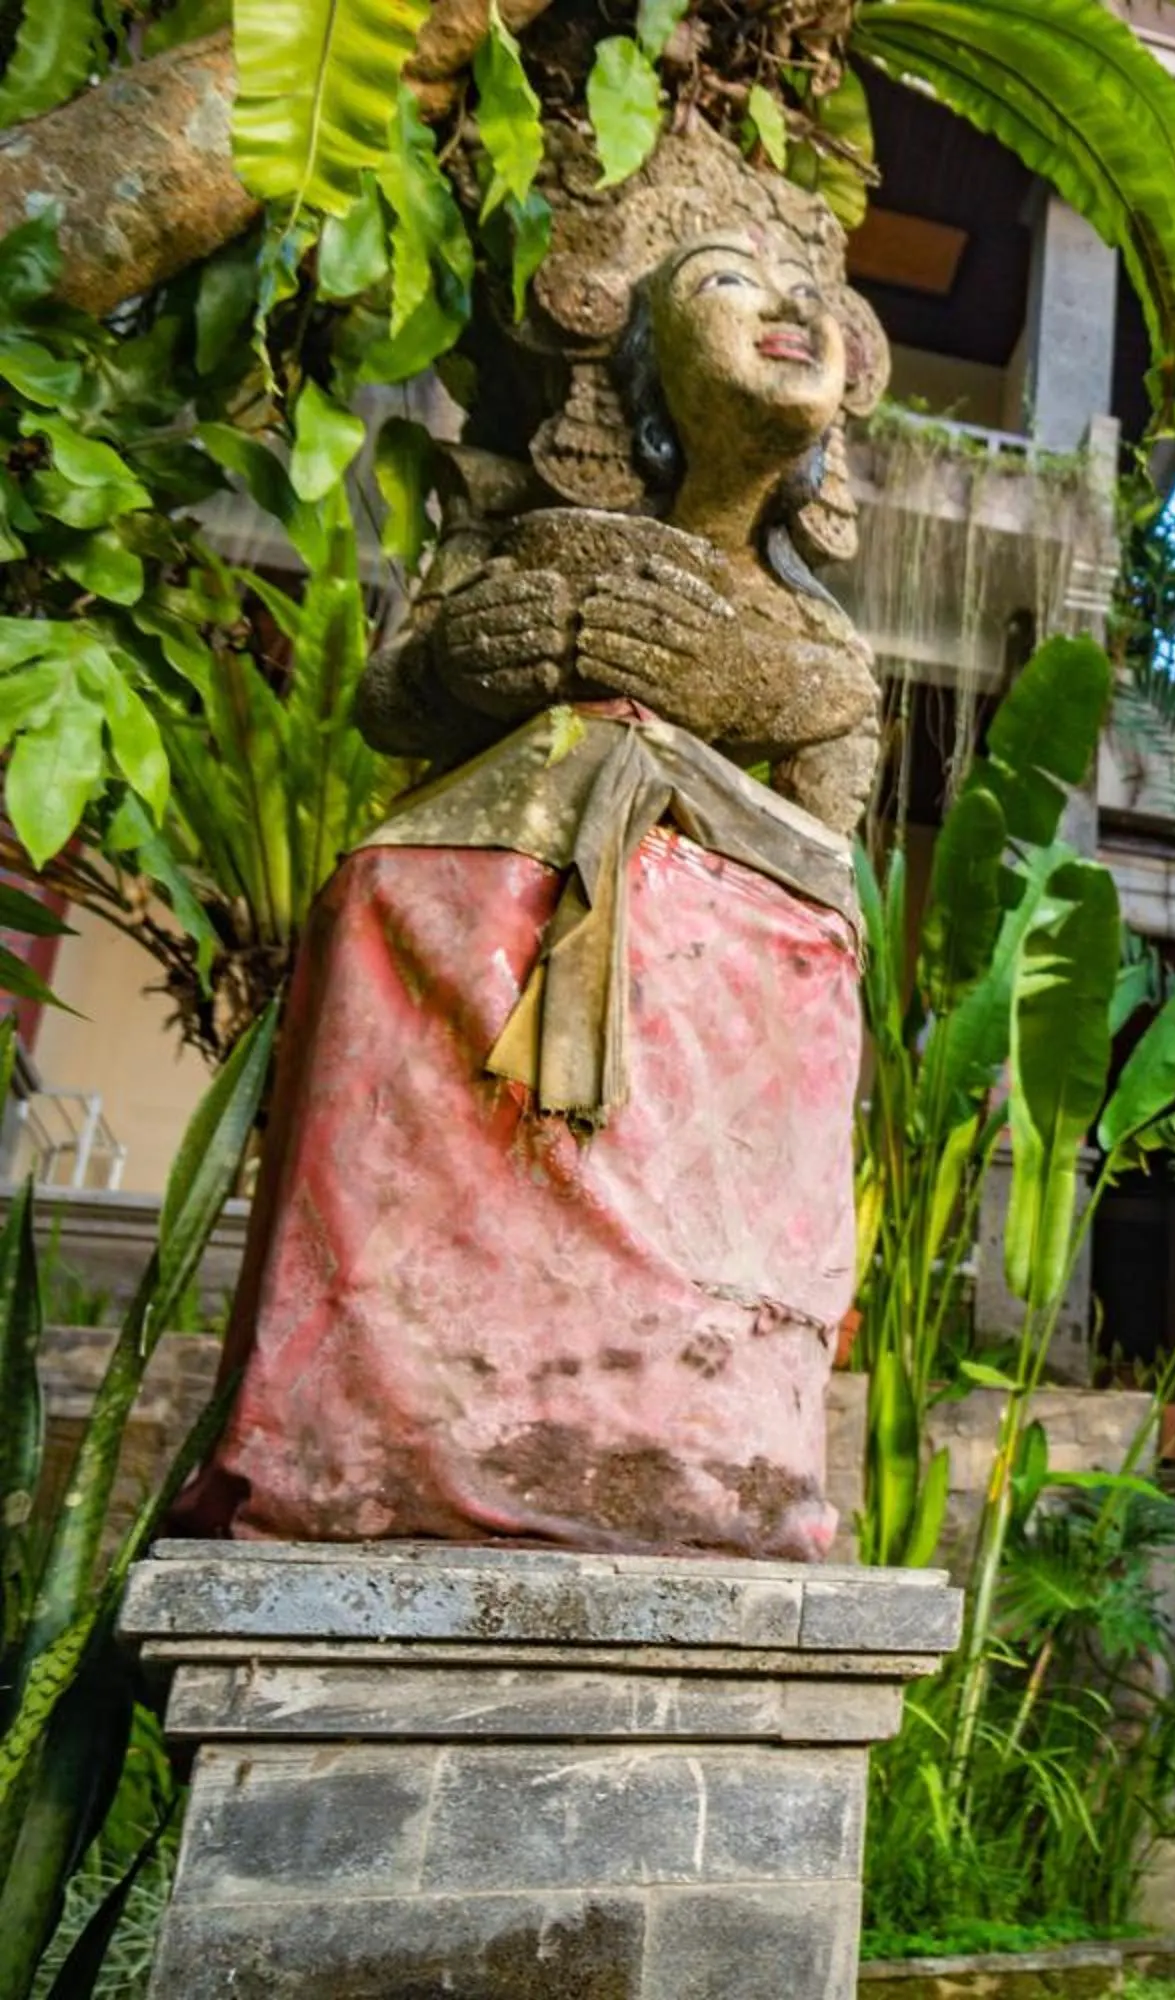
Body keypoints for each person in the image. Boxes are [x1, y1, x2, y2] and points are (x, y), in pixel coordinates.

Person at [183, 232, 878, 1559]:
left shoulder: (817, 638)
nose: (791, 307)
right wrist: (476, 667)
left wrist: (736, 692)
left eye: (812, 296)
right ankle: (383, 1425)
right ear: (636, 363)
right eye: (730, 280)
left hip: (701, 1038)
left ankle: (688, 1443)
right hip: (479, 960)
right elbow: (391, 699)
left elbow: (832, 838)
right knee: (389, 904)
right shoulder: (510, 544)